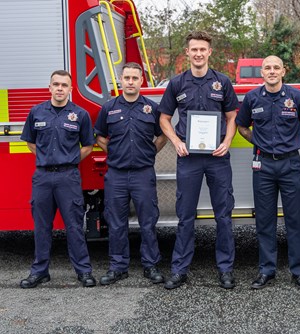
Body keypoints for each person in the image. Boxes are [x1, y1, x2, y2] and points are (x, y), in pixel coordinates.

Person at [158, 31, 239, 289]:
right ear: (188, 52)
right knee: (185, 216)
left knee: (223, 215)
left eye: (203, 49)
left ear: (209, 52)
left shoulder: (222, 82)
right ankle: (179, 270)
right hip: (189, 159)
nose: (198, 54)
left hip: (217, 158)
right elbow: (163, 118)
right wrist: (177, 142)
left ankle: (225, 269)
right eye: (194, 49)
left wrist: (227, 142)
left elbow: (232, 117)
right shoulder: (177, 83)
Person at [236, 56, 300, 290]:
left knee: (295, 220)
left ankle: (299, 272)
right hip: (262, 165)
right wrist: (258, 141)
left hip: (290, 164)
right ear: (261, 73)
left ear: (283, 71)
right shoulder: (252, 98)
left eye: (276, 68)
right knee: (264, 220)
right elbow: (242, 126)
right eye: (267, 68)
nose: (272, 71)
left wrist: (295, 143)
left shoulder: (297, 97)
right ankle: (266, 270)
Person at [20, 70, 96, 288]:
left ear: (71, 89)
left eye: (64, 85)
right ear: (50, 87)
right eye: (56, 84)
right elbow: (30, 142)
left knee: (73, 226)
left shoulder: (79, 115)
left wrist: (69, 159)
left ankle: (83, 271)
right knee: (41, 226)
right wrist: (46, 158)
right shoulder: (36, 112)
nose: (60, 88)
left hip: (68, 177)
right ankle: (40, 271)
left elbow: (88, 146)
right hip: (43, 177)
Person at [95, 62, 168, 285]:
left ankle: (150, 265)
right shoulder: (109, 108)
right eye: (126, 78)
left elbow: (162, 136)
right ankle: (118, 267)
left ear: (141, 81)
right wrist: (115, 153)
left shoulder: (151, 109)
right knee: (116, 222)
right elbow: (99, 136)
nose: (130, 82)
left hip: (143, 173)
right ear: (121, 80)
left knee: (148, 221)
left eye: (134, 78)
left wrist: (149, 153)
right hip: (116, 174)